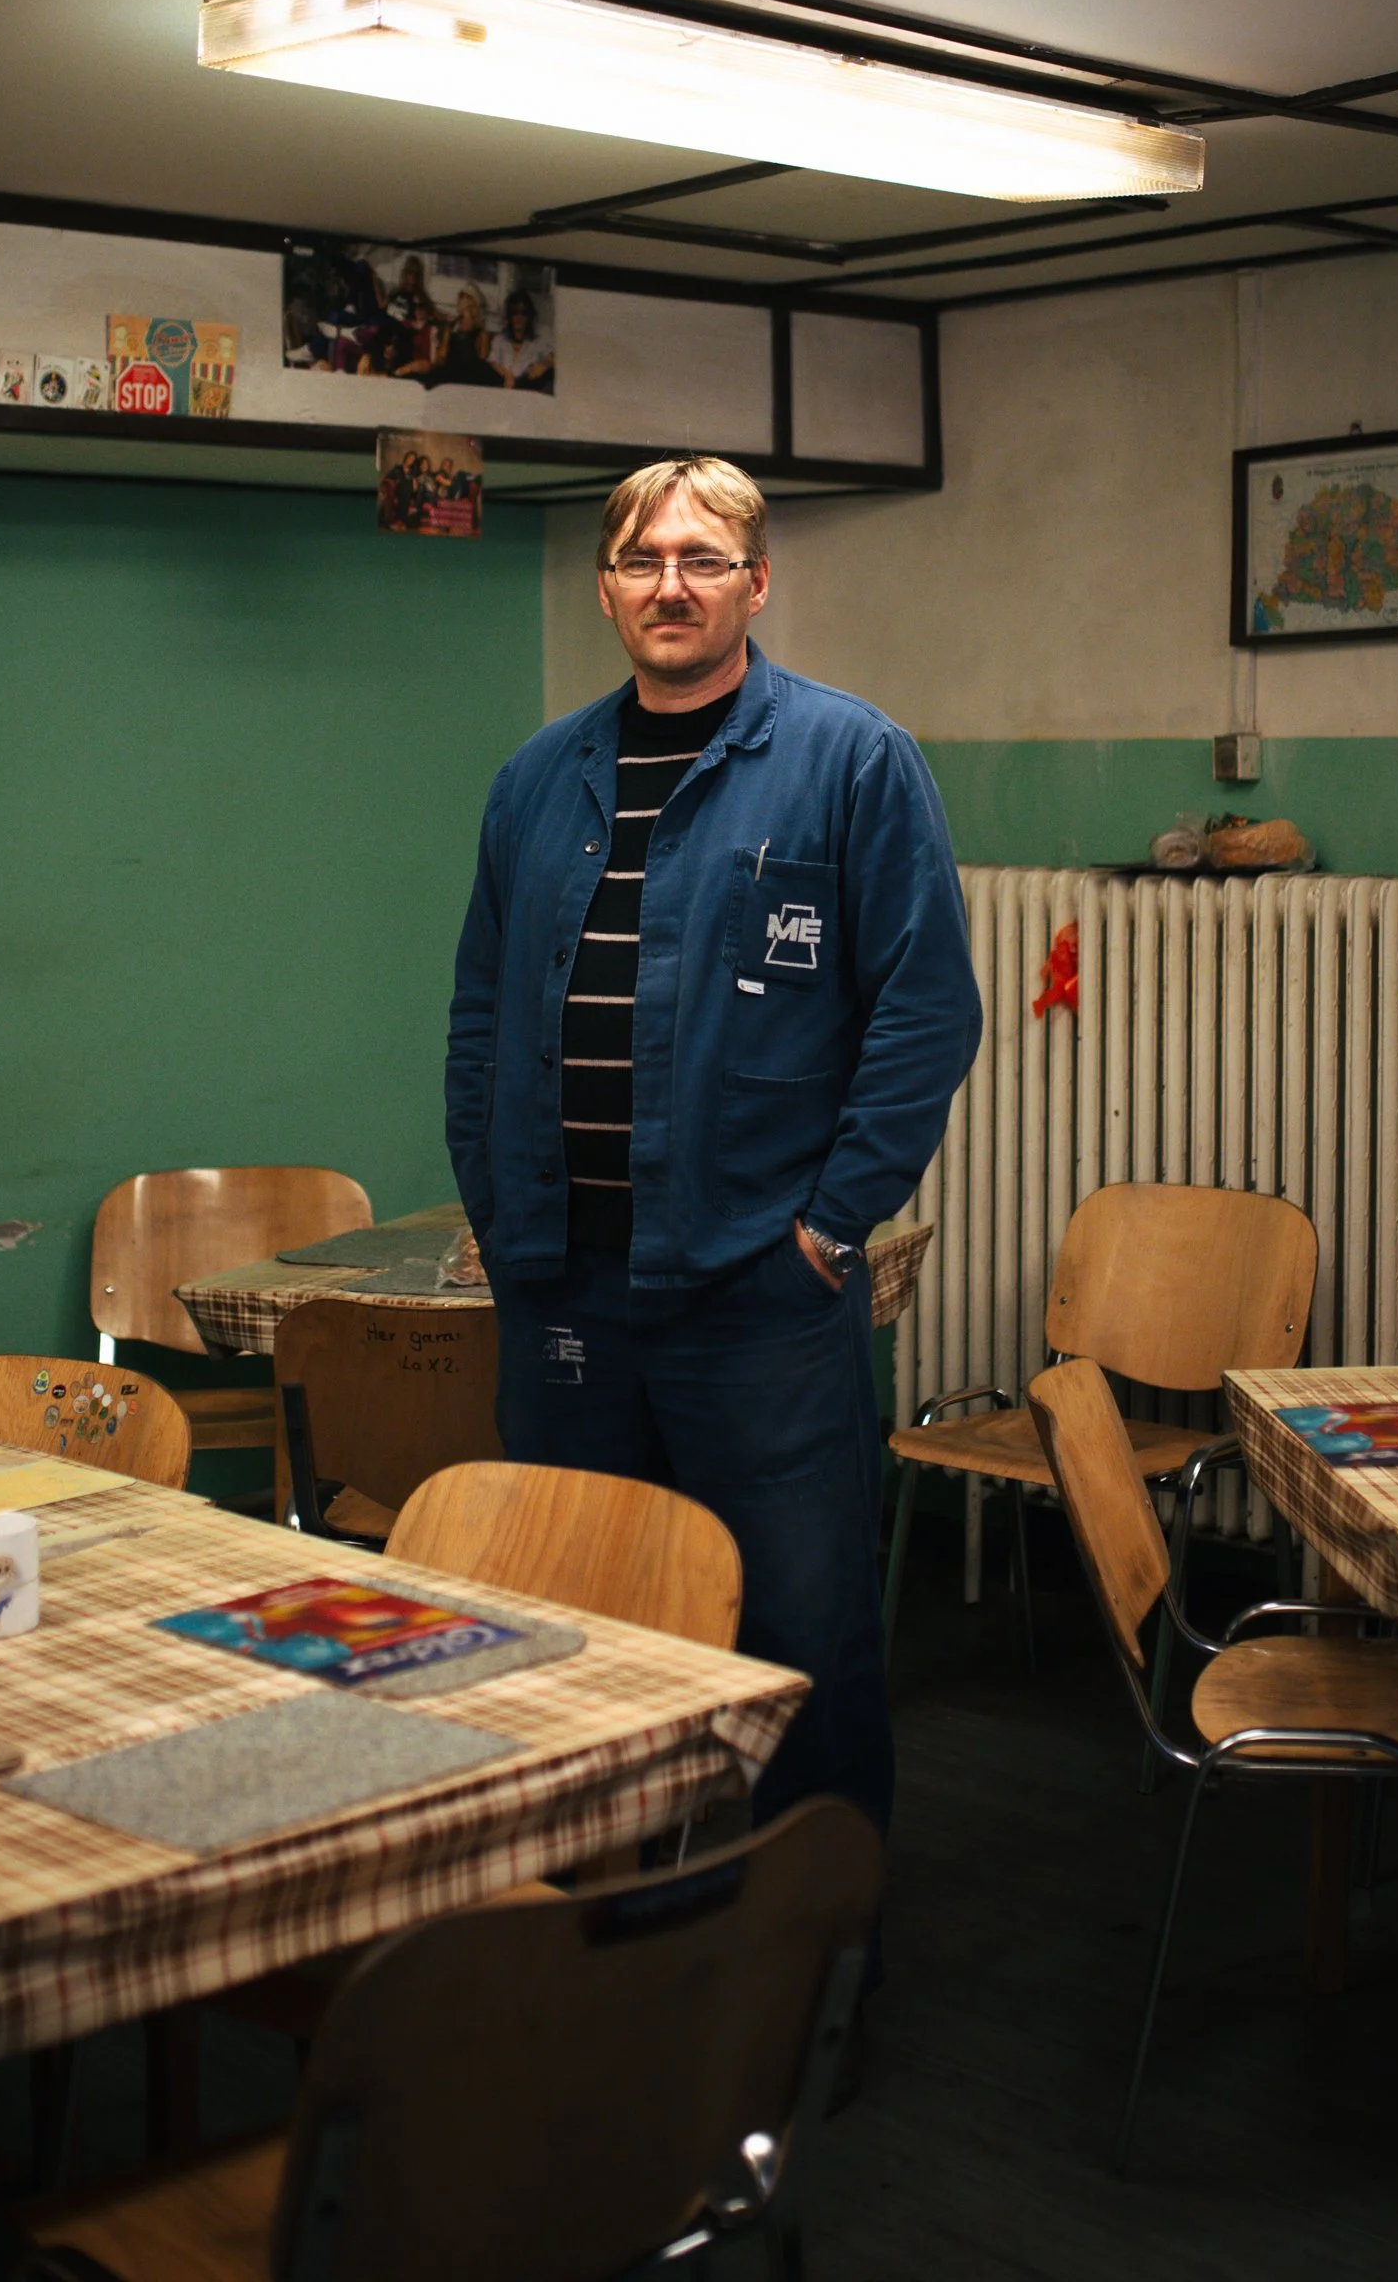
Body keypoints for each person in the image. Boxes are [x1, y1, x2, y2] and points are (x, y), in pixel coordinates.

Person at [446, 456, 980, 1839]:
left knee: (799, 1649)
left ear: (756, 581)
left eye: (700, 559)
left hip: (760, 1299)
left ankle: (815, 1969)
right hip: (566, 1292)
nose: (668, 585)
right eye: (639, 560)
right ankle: (601, 1942)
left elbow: (924, 1016)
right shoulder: (531, 779)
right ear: (605, 587)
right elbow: (480, 1017)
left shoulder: (848, 760)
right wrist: (502, 1215)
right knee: (572, 1639)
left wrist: (831, 1225)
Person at [490, 287, 554, 392]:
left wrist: (543, 364)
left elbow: (555, 359)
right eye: (515, 312)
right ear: (509, 316)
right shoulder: (499, 340)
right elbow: (492, 361)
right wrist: (506, 375)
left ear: (529, 316)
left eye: (523, 313)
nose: (519, 317)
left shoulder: (537, 343)